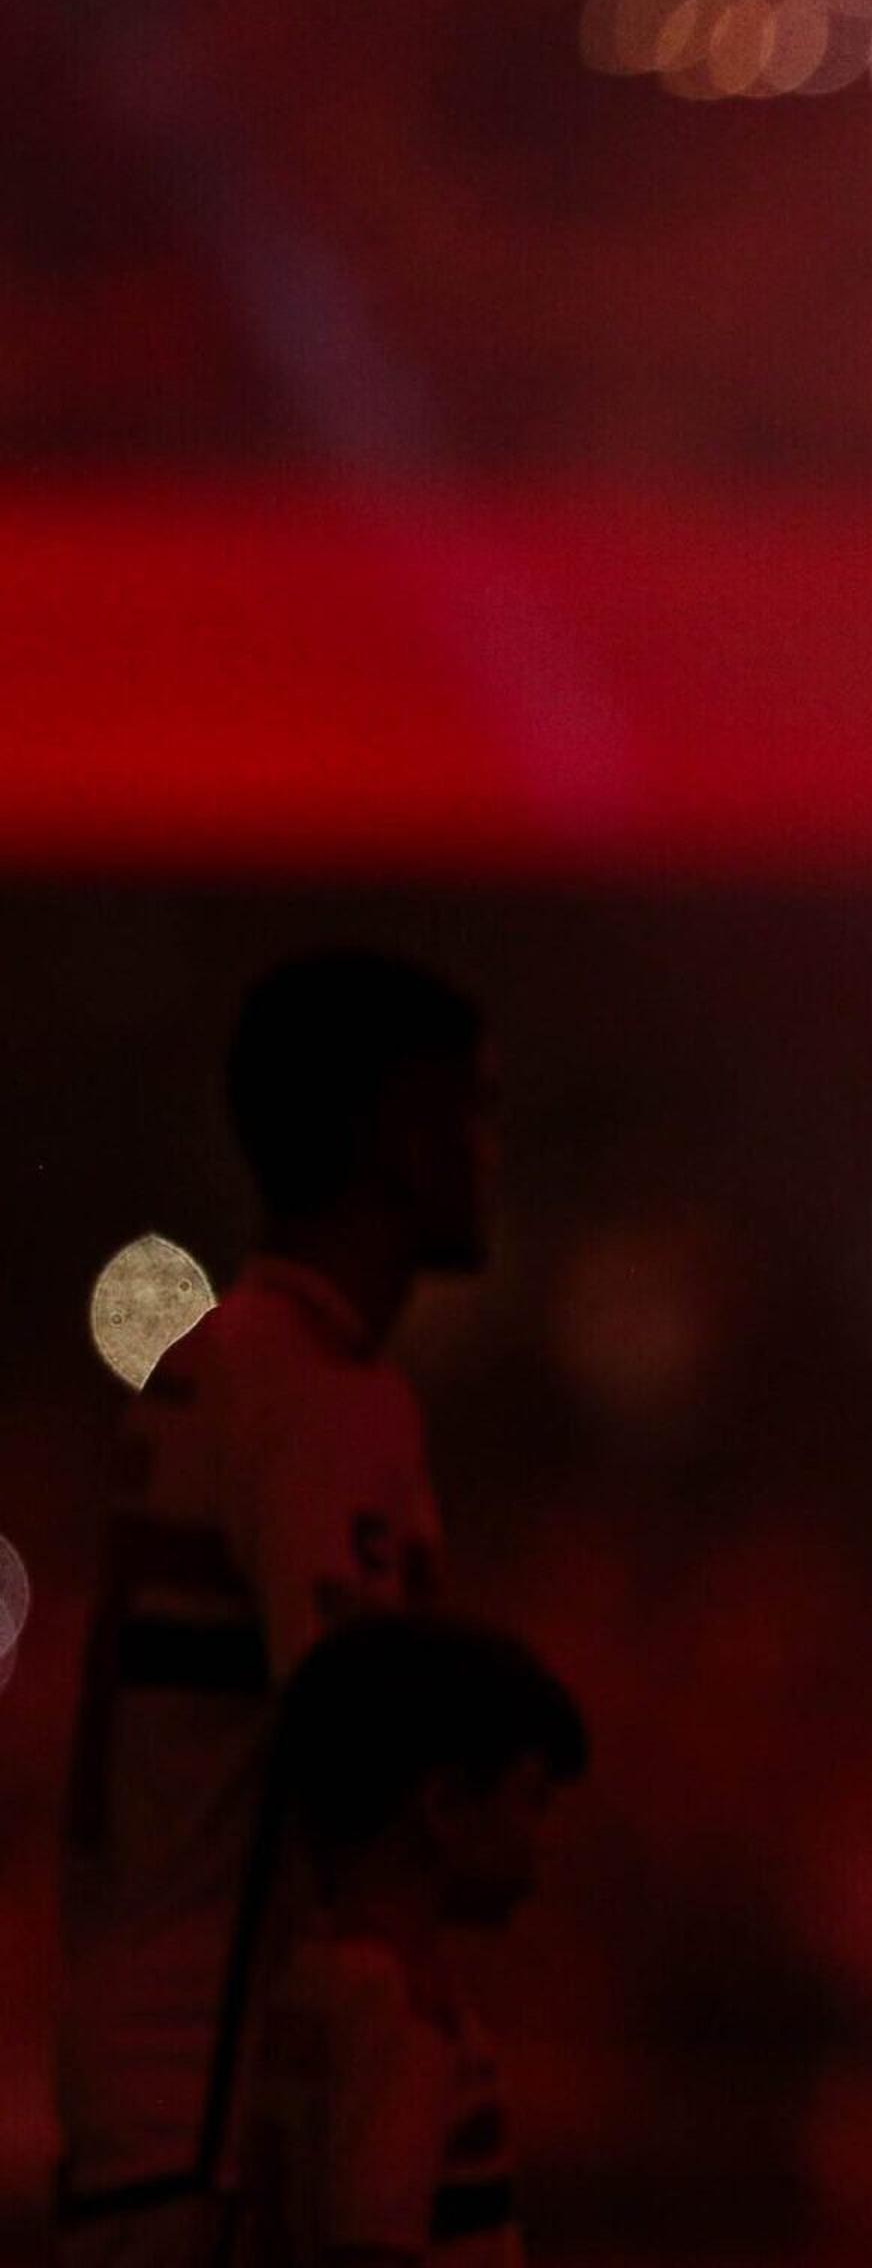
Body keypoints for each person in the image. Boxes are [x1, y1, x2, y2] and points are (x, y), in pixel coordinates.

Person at [57, 953, 495, 2262]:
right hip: (215, 2097)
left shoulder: (229, 1363)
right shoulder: (309, 1387)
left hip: (148, 2065)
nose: (487, 1154)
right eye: (470, 1112)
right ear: (401, 1139)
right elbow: (357, 1738)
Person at [232, 1613, 586, 2268]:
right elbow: (373, 2248)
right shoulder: (403, 2006)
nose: (542, 1841)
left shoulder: (304, 1979)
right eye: (531, 1800)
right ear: (445, 1806)